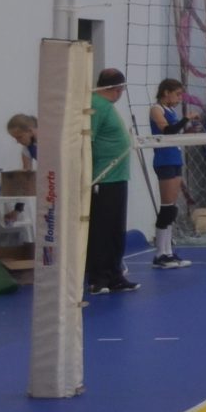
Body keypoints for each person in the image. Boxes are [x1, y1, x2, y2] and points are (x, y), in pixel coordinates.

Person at [87, 67, 136, 295]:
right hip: (102, 179)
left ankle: (115, 275)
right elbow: (87, 142)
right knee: (102, 232)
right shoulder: (96, 105)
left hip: (116, 177)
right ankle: (98, 278)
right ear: (118, 89)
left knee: (116, 230)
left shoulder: (106, 106)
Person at [147, 76, 200, 270]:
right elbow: (167, 131)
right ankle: (160, 254)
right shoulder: (157, 109)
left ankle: (168, 252)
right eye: (177, 94)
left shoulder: (170, 110)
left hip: (175, 158)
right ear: (166, 92)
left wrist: (191, 131)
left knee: (172, 208)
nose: (179, 98)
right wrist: (187, 118)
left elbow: (175, 135)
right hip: (164, 160)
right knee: (167, 207)